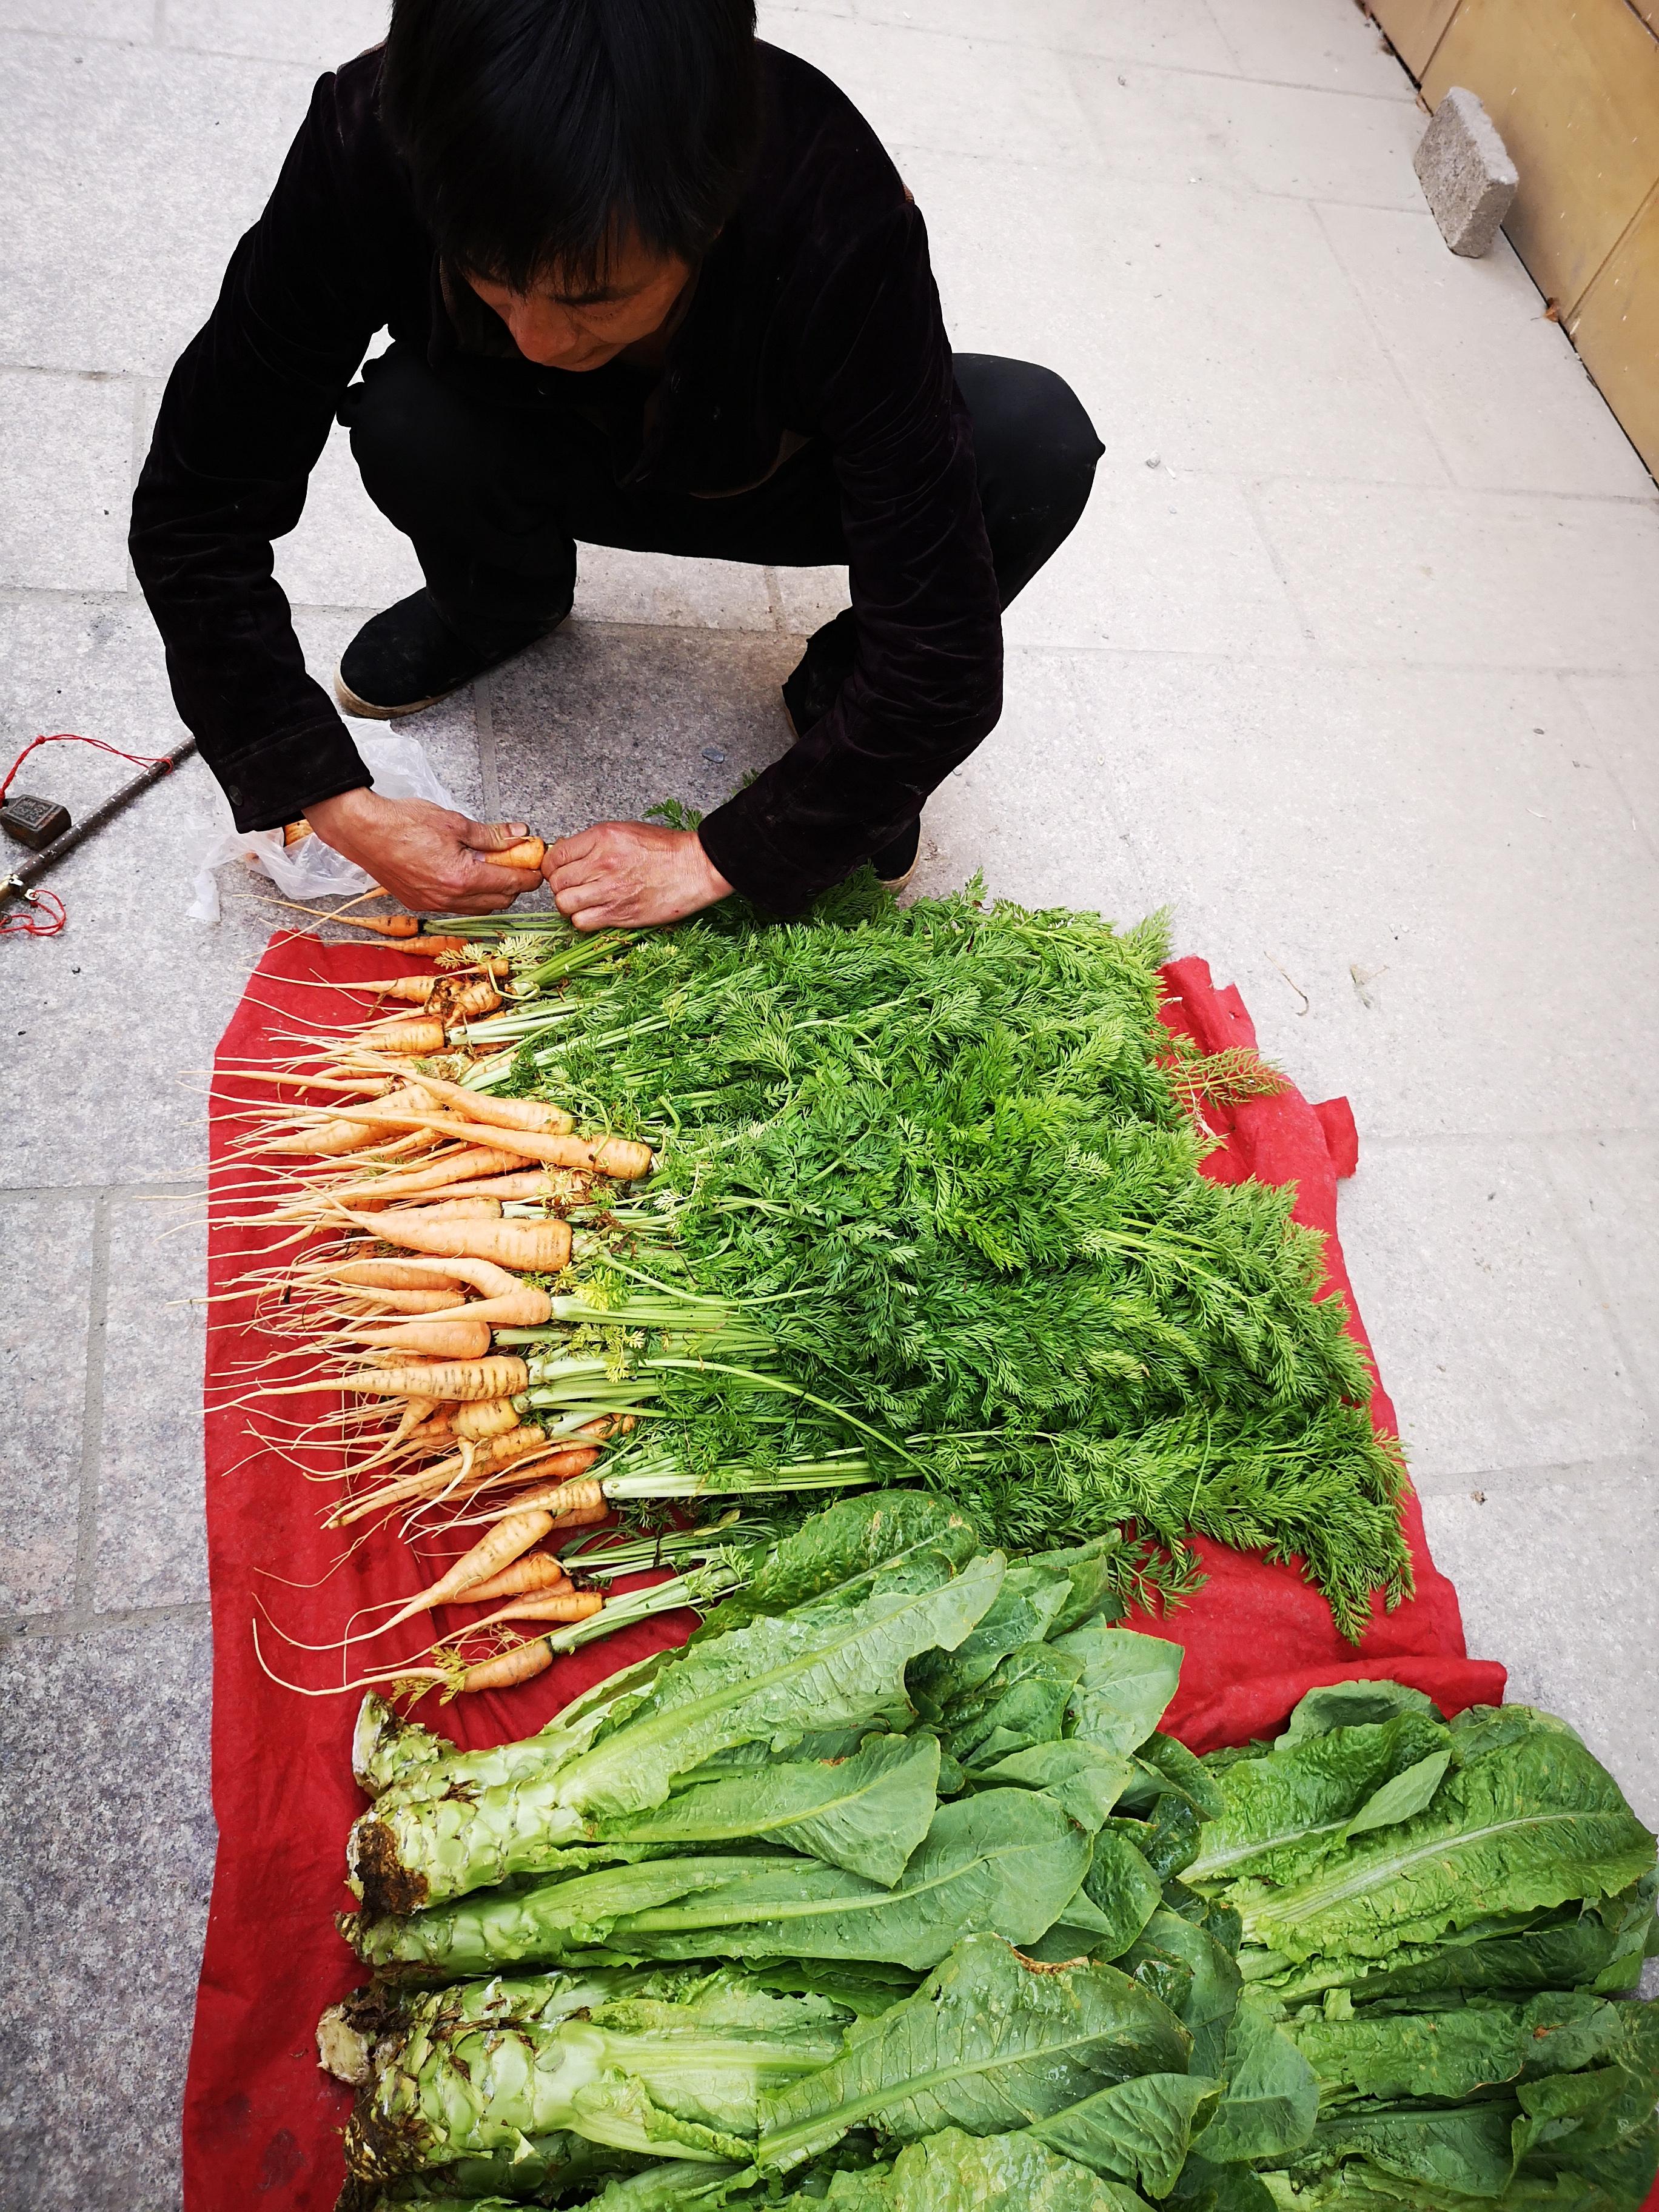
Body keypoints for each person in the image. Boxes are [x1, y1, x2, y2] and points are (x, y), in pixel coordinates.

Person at [131, 0, 1102, 929]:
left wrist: (721, 854)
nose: (543, 336)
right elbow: (196, 505)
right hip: (526, 442)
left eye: (597, 297)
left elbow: (947, 657)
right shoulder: (373, 137)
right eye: (494, 280)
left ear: (711, 213)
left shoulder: (827, 195)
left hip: (760, 465)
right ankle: (499, 601)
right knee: (403, 415)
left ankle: (840, 688)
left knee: (1032, 439)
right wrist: (326, 792)